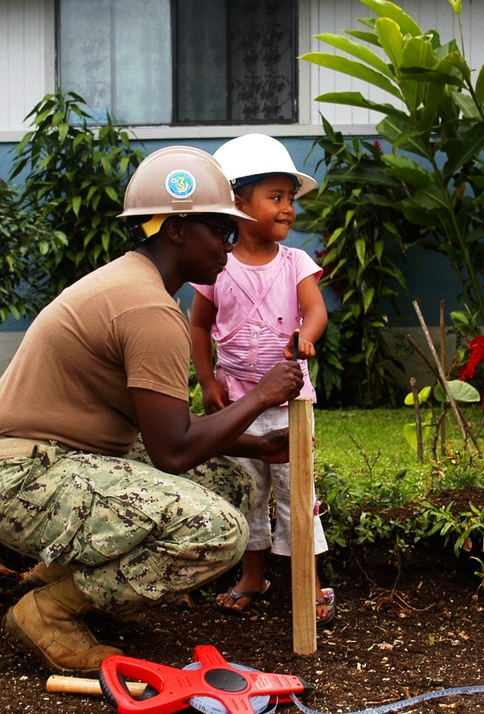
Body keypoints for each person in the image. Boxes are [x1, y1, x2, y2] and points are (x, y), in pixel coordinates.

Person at [0, 145, 304, 677]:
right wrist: (260, 397)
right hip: (19, 474)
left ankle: (56, 577)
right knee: (215, 529)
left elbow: (168, 432)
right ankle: (48, 611)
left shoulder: (134, 284)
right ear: (177, 229)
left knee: (229, 483)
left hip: (40, 459)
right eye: (221, 231)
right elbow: (173, 451)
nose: (229, 248)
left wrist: (256, 446)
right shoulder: (147, 309)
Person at [189, 133, 334, 625]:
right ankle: (252, 574)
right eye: (276, 197)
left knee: (297, 490)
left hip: (291, 401)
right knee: (247, 490)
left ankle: (308, 581)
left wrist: (305, 337)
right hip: (236, 403)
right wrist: (208, 383)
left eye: (290, 199)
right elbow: (199, 325)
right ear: (237, 202)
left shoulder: (296, 263)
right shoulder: (216, 264)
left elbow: (316, 312)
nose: (288, 209)